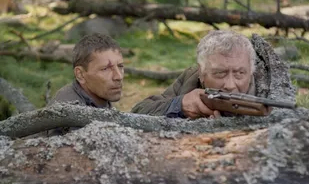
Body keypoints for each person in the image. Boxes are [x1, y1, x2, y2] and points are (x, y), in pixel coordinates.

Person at [131, 30, 260, 119]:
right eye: (220, 73)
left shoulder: (268, 89)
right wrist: (179, 105)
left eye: (239, 73)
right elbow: (138, 112)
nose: (231, 85)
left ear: (251, 71)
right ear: (201, 73)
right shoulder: (191, 79)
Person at [48, 33, 125, 109]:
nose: (118, 76)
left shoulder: (98, 98)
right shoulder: (68, 112)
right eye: (105, 69)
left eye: (120, 66)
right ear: (80, 75)